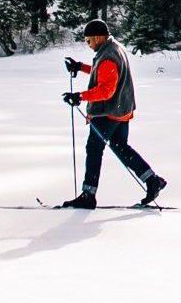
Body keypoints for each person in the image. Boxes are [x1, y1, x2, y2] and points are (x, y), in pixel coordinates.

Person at [56, 19, 167, 210]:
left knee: (94, 149)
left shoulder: (107, 56)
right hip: (121, 110)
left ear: (98, 37)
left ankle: (88, 195)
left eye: (89, 40)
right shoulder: (112, 49)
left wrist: (80, 96)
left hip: (108, 112)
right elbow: (104, 74)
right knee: (120, 147)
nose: (88, 44)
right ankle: (152, 180)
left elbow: (106, 89)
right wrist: (80, 67)